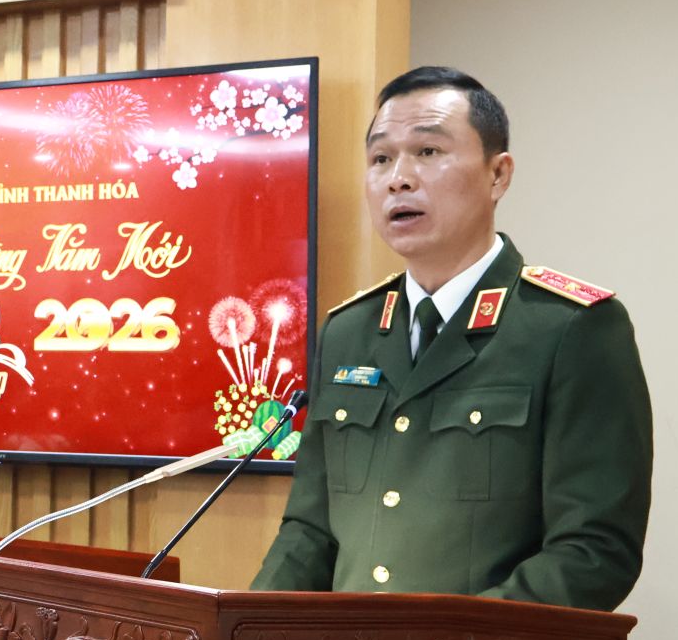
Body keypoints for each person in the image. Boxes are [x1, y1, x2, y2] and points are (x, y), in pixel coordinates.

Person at [253, 67, 652, 611]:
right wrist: (245, 635)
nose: (398, 179)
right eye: (380, 158)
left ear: (498, 175)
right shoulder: (347, 330)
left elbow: (594, 553)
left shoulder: (570, 328)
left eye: (428, 152)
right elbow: (310, 530)